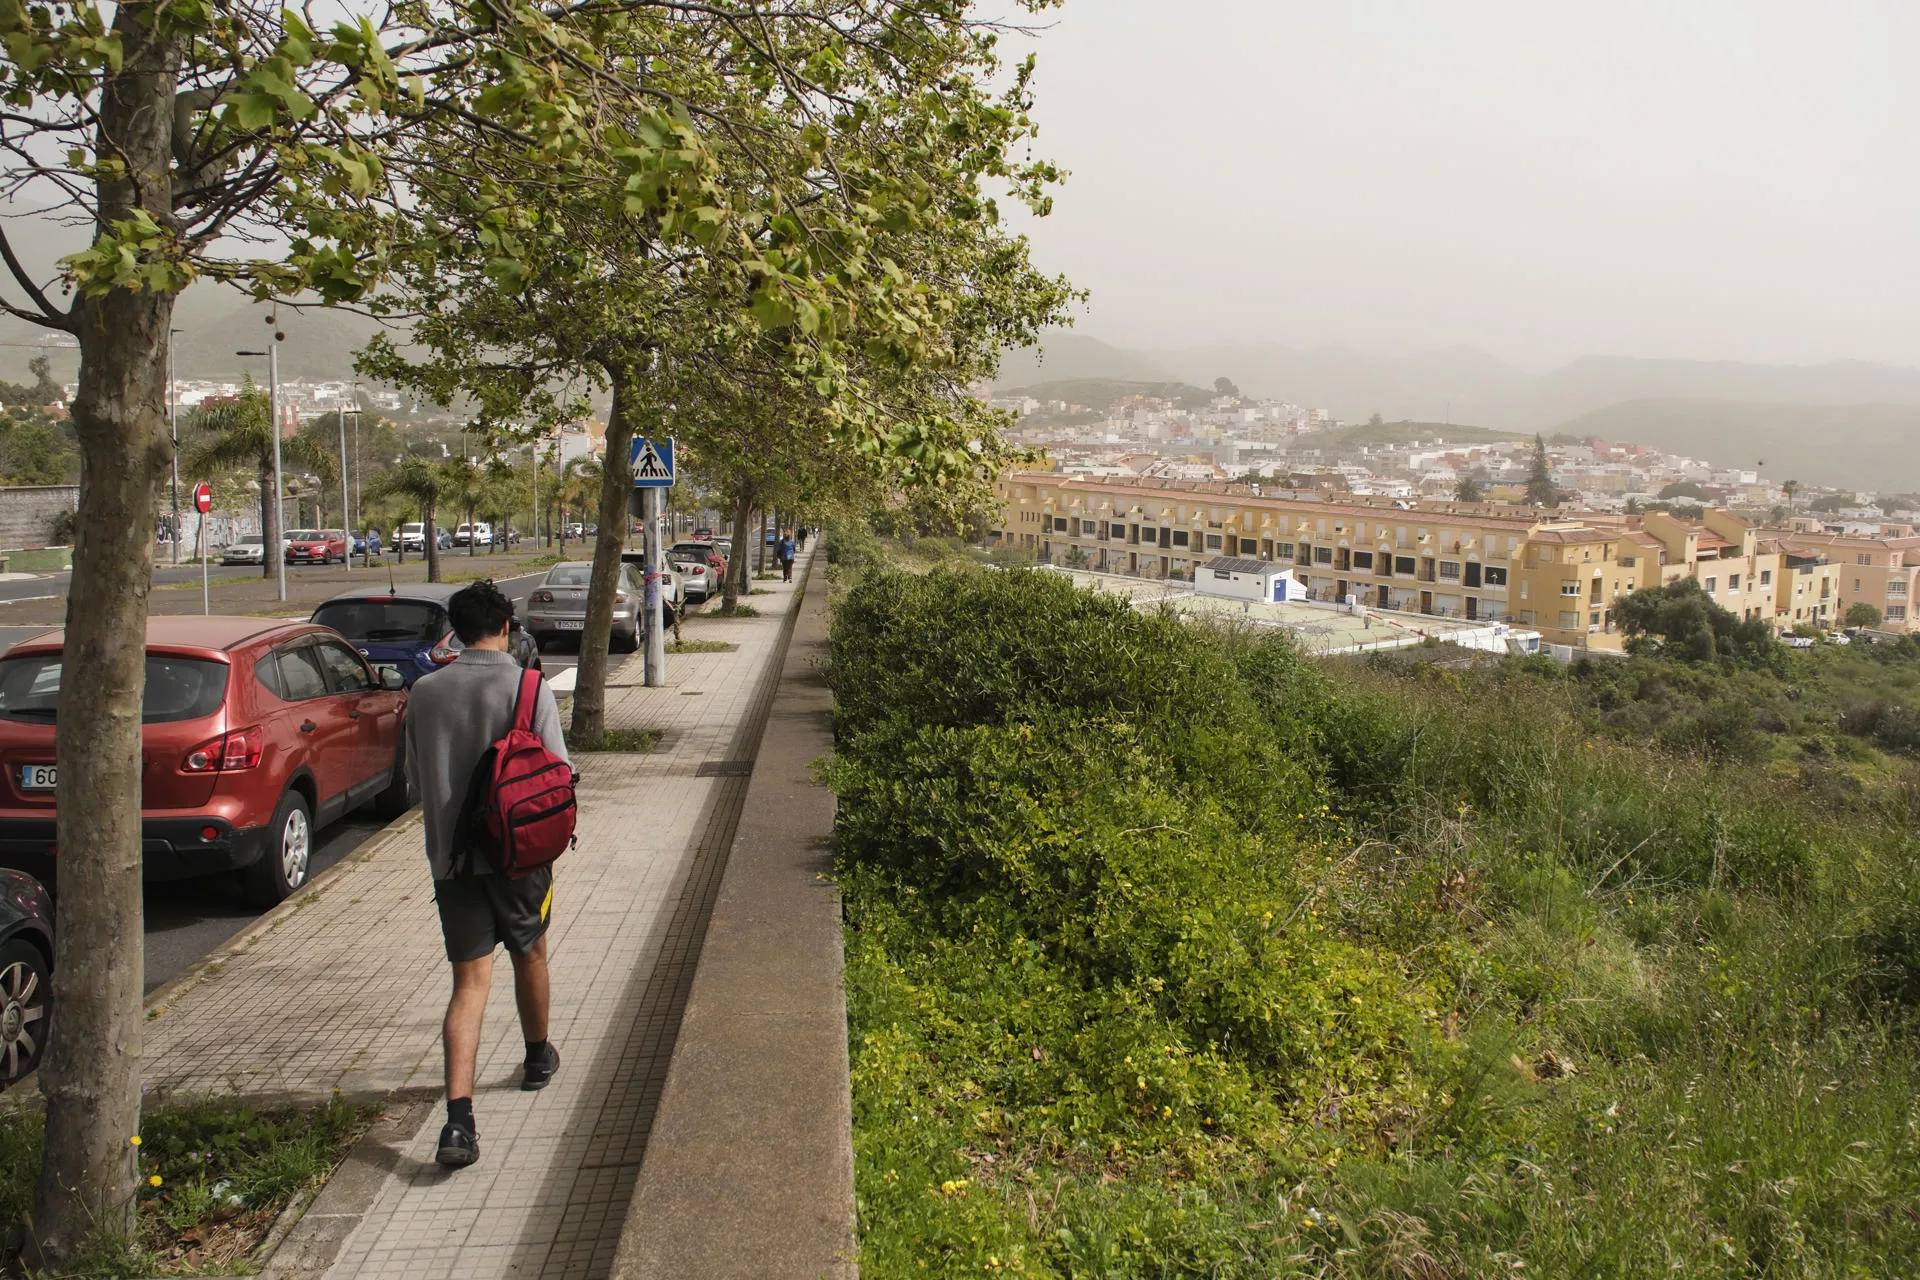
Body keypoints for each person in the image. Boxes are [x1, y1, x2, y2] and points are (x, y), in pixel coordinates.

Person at [405, 580, 571, 1168]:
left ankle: (457, 1123)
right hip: (520, 857)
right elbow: (560, 771)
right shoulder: (530, 687)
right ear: (505, 628)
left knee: (469, 984)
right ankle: (535, 1057)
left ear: (455, 628)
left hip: (453, 863)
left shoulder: (424, 693)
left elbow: (414, 781)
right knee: (531, 953)